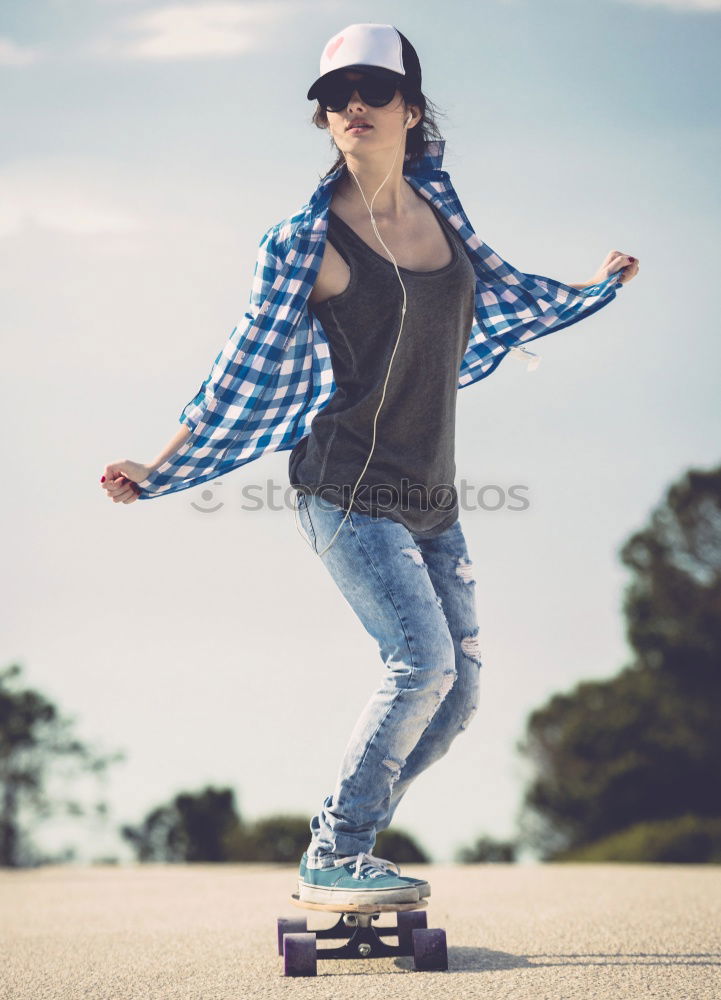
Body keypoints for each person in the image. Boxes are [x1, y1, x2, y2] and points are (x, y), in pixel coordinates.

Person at [101, 23, 639, 905]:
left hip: (432, 495)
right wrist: (156, 466)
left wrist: (590, 290)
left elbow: (500, 299)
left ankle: (339, 839)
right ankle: (338, 848)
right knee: (419, 665)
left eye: (373, 90)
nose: (353, 104)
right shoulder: (304, 242)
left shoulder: (441, 212)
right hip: (345, 491)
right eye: (335, 94)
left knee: (459, 695)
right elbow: (236, 368)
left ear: (410, 109)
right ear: (322, 118)